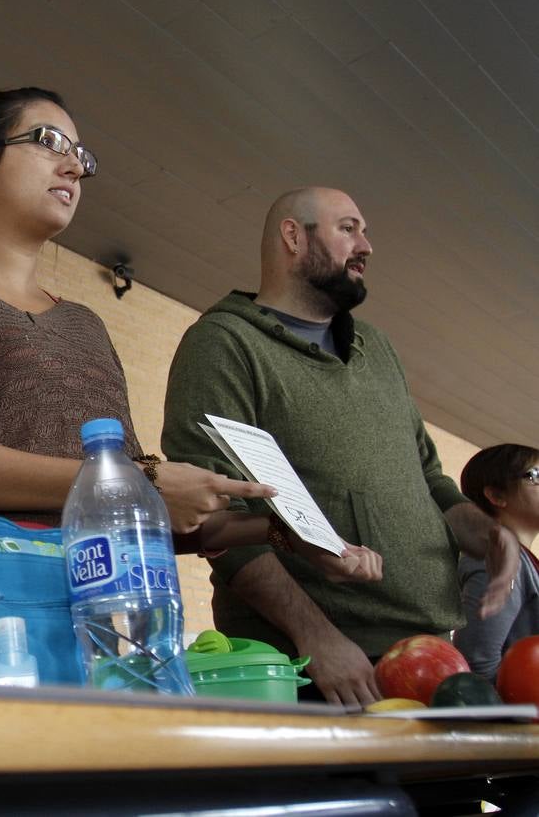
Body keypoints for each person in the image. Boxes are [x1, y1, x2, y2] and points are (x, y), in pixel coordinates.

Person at [0, 88, 381, 581]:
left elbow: (133, 505)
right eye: (49, 141)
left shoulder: (86, 325)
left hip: (101, 605)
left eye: (81, 155)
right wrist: (132, 482)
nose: (74, 166)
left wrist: (281, 532)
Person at [161, 186, 520, 706]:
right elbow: (219, 519)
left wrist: (490, 535)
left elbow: (431, 481)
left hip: (430, 653)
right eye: (348, 228)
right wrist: (317, 638)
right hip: (317, 666)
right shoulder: (224, 344)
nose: (367, 245)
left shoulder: (377, 348)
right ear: (292, 236)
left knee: (445, 792)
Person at [455, 444, 539, 682]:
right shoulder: (496, 560)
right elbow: (477, 662)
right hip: (513, 713)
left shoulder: (524, 562)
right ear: (496, 496)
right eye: (536, 475)